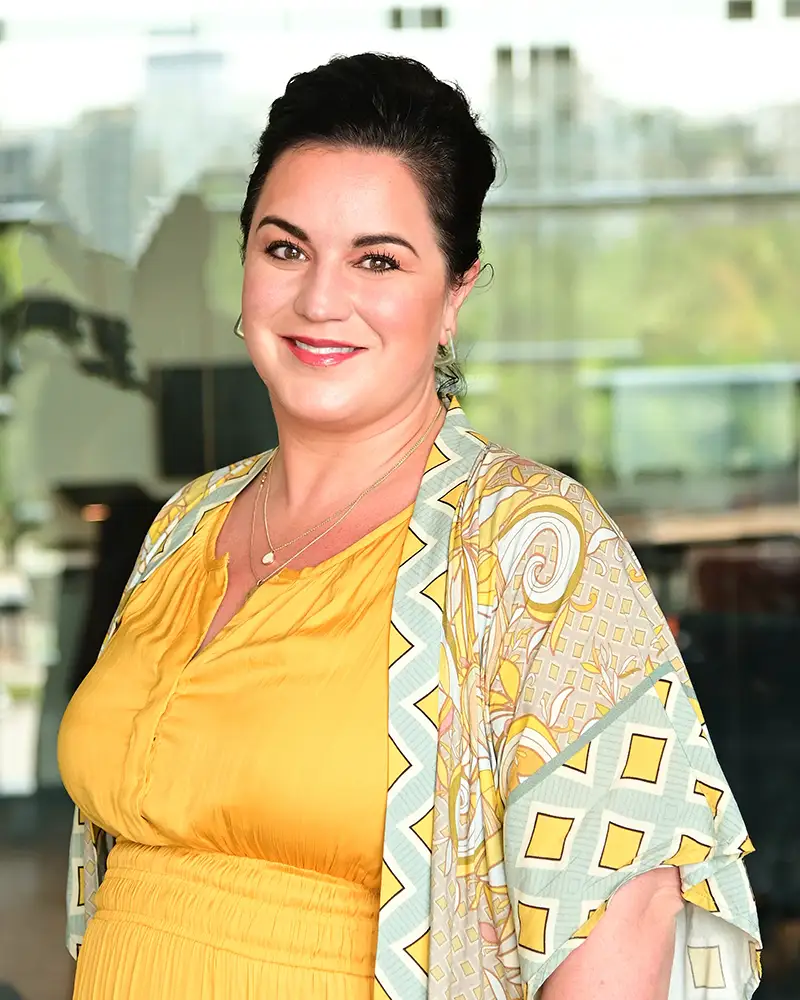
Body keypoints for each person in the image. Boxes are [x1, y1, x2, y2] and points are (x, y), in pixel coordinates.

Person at [57, 53, 761, 1000]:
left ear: (455, 294)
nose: (318, 299)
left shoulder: (533, 548)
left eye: (378, 260)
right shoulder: (187, 525)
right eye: (285, 248)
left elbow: (624, 932)